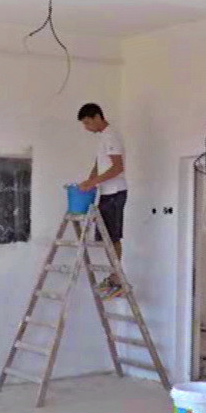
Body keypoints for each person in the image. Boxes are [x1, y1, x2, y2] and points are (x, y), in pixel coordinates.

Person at [77, 102, 128, 299]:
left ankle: (118, 279)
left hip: (115, 192)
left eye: (88, 123)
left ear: (97, 117)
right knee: (105, 236)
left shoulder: (111, 135)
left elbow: (117, 168)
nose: (87, 128)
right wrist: (90, 181)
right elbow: (100, 164)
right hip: (107, 193)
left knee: (113, 237)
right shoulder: (104, 138)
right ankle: (115, 277)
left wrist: (93, 182)